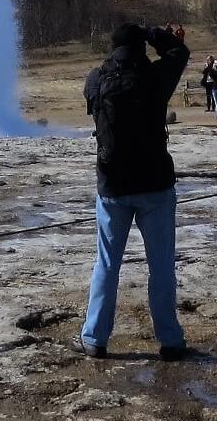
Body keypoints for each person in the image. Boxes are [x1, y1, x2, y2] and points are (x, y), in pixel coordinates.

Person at [78, 23, 191, 360]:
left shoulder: (95, 79)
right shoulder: (156, 77)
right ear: (141, 47)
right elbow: (179, 53)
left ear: (112, 46)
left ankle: (94, 339)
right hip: (155, 185)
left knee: (107, 264)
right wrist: (156, 33)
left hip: (112, 186)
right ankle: (170, 340)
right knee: (161, 265)